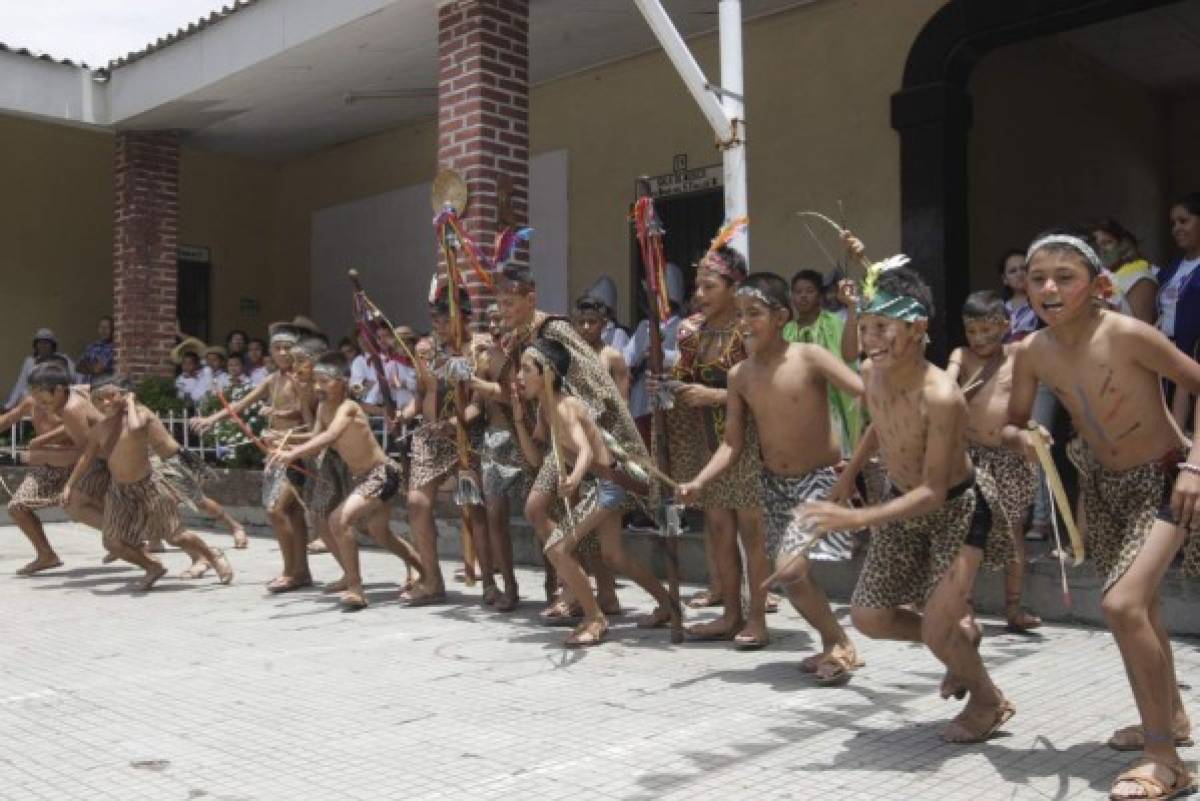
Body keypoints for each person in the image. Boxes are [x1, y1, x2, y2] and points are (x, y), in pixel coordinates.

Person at [1003, 230, 1200, 800]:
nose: (1048, 288)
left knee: (1121, 604)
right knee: (1144, 611)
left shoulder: (1129, 334)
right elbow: (1015, 420)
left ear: (1096, 286)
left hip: (1164, 479)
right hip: (1104, 488)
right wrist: (1024, 436)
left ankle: (1164, 758)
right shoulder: (1033, 351)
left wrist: (1195, 469)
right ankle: (1173, 719)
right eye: (1038, 277)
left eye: (1065, 277)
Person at [805, 261, 1014, 743]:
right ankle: (957, 644)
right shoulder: (872, 372)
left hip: (956, 509)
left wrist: (857, 515)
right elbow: (882, 423)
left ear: (917, 328)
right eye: (866, 326)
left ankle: (988, 700)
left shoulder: (941, 395)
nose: (871, 338)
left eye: (882, 327)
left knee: (941, 624)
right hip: (901, 503)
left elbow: (934, 492)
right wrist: (850, 475)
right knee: (869, 617)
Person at [679, 272, 865, 683]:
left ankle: (840, 645)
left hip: (820, 481)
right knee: (791, 577)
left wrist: (855, 468)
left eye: (755, 313)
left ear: (781, 316)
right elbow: (731, 444)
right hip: (774, 486)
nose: (745, 322)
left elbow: (864, 392)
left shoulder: (810, 356)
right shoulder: (739, 375)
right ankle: (836, 642)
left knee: (789, 569)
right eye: (741, 314)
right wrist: (699, 481)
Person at [493, 263, 666, 628]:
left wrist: (592, 435)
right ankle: (583, 590)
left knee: (605, 547)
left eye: (510, 304)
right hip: (555, 440)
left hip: (582, 439)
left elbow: (593, 382)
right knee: (538, 509)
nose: (503, 312)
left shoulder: (553, 329)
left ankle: (598, 600)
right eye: (500, 304)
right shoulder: (521, 337)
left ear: (530, 298)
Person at [512, 338, 674, 647]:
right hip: (603, 485)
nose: (519, 377)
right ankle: (667, 603)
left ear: (547, 373)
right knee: (614, 555)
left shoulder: (564, 405)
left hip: (610, 485)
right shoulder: (545, 408)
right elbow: (535, 458)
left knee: (557, 548)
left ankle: (595, 618)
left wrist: (573, 478)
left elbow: (585, 450)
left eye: (525, 369)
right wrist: (520, 417)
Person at [656, 245, 769, 648]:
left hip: (750, 442)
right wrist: (668, 386)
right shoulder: (692, 331)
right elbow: (686, 379)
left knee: (753, 533)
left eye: (709, 286)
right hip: (709, 443)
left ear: (734, 286)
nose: (699, 295)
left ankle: (758, 617)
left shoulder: (751, 331)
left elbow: (764, 388)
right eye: (697, 286)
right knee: (719, 528)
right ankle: (730, 613)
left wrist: (714, 396)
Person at [268, 352, 425, 610]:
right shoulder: (322, 408)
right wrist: (283, 441)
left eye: (324, 381)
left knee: (338, 520)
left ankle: (355, 588)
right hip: (365, 477)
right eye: (316, 381)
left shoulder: (349, 407)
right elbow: (316, 438)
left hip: (382, 474)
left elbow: (330, 435)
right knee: (380, 533)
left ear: (341, 381)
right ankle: (426, 572)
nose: (318, 387)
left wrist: (291, 453)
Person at [63, 377, 232, 591]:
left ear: (123, 396)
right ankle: (152, 566)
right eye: (99, 399)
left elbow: (134, 428)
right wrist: (70, 485)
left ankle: (213, 557)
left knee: (176, 536)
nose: (106, 403)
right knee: (113, 542)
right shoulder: (100, 429)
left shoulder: (141, 414)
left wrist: (131, 402)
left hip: (149, 486)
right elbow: (86, 458)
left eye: (111, 396)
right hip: (120, 491)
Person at [192, 322, 312, 593]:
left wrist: (283, 422)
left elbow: (309, 418)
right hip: (274, 452)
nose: (282, 353)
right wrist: (212, 418)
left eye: (287, 348)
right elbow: (241, 404)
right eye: (277, 348)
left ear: (297, 350)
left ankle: (291, 571)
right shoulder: (273, 379)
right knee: (291, 512)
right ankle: (300, 571)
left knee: (275, 509)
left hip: (295, 451)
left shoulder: (302, 379)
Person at [946, 291, 1040, 632]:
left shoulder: (1020, 355)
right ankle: (963, 608)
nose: (979, 339)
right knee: (965, 530)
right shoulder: (961, 355)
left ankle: (1014, 608)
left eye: (987, 330)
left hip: (1010, 455)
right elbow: (946, 380)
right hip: (970, 456)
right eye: (972, 331)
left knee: (1014, 528)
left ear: (1004, 326)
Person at [398, 286, 489, 605]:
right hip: (429, 436)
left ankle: (490, 582)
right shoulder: (424, 349)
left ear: (464, 317)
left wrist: (458, 422)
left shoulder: (478, 349)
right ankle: (432, 580)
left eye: (444, 316)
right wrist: (405, 413)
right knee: (417, 503)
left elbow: (479, 399)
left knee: (475, 507)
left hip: (466, 436)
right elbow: (422, 395)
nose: (437, 322)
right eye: (434, 317)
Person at [2, 364, 108, 573]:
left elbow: (79, 432)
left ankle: (131, 541)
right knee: (17, 507)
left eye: (41, 389)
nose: (38, 397)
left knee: (93, 505)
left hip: (78, 461)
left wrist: (42, 440)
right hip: (47, 464)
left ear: (57, 388)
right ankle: (46, 555)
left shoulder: (73, 401)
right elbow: (8, 419)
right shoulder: (32, 401)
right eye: (34, 389)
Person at [469, 304, 529, 611]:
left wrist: (484, 385)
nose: (495, 323)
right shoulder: (482, 358)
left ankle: (554, 586)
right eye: (489, 319)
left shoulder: (525, 353)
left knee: (542, 512)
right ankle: (508, 585)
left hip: (528, 438)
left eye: (500, 317)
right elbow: (477, 406)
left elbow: (520, 395)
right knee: (494, 513)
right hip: (494, 440)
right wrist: (455, 420)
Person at [783, 268, 862, 454]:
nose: (803, 296)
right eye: (798, 291)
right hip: (797, 408)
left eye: (809, 291)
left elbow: (850, 355)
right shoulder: (785, 330)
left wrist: (852, 307)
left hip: (833, 404)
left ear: (819, 296)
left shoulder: (834, 322)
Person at [1159, 193, 1200, 433]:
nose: (1176, 228)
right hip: (1167, 356)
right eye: (1173, 223)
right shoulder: (1171, 268)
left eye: (1183, 221)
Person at [1091, 218, 1158, 325]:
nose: (1102, 250)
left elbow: (1143, 328)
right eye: (1099, 245)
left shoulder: (1141, 277)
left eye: (1107, 242)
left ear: (1123, 245)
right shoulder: (1103, 276)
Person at [573, 296, 630, 399]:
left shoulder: (614, 358)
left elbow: (623, 404)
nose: (586, 327)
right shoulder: (569, 355)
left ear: (603, 324)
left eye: (592, 322)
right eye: (581, 322)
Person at [6, 329, 75, 410]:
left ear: (52, 345)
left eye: (46, 343)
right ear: (36, 345)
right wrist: (8, 406)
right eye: (40, 343)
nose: (43, 346)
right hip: (34, 399)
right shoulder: (30, 361)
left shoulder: (64, 359)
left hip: (57, 398)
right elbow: (20, 385)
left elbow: (73, 379)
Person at [999, 251, 1037, 343]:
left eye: (1023, 268)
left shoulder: (1041, 304)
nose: (1019, 274)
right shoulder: (999, 308)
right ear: (1005, 279)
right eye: (1013, 271)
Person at [172, 338, 211, 407]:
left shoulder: (203, 374)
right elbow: (180, 394)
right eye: (184, 363)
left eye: (190, 363)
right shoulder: (180, 379)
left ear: (196, 364)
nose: (187, 366)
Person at [77, 316, 115, 385]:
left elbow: (98, 369)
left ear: (113, 330)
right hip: (85, 386)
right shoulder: (91, 346)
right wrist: (92, 367)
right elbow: (79, 367)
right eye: (101, 327)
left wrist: (87, 366)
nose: (103, 330)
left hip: (102, 386)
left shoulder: (114, 348)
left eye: (107, 328)